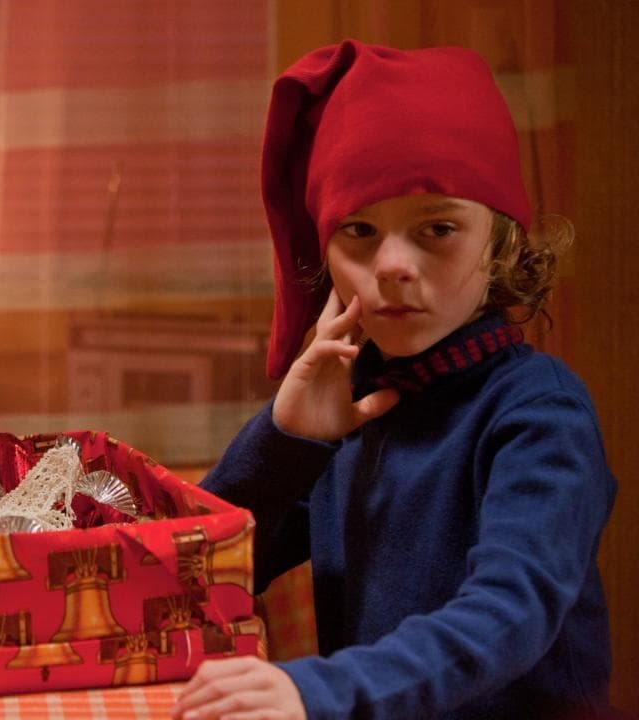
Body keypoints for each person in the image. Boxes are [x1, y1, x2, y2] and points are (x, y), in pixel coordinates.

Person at [173, 40, 616, 719]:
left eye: (438, 228)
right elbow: (195, 577)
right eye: (358, 229)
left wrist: (317, 690)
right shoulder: (347, 401)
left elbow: (509, 614)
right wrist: (287, 441)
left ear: (502, 243)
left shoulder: (539, 412)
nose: (392, 266)